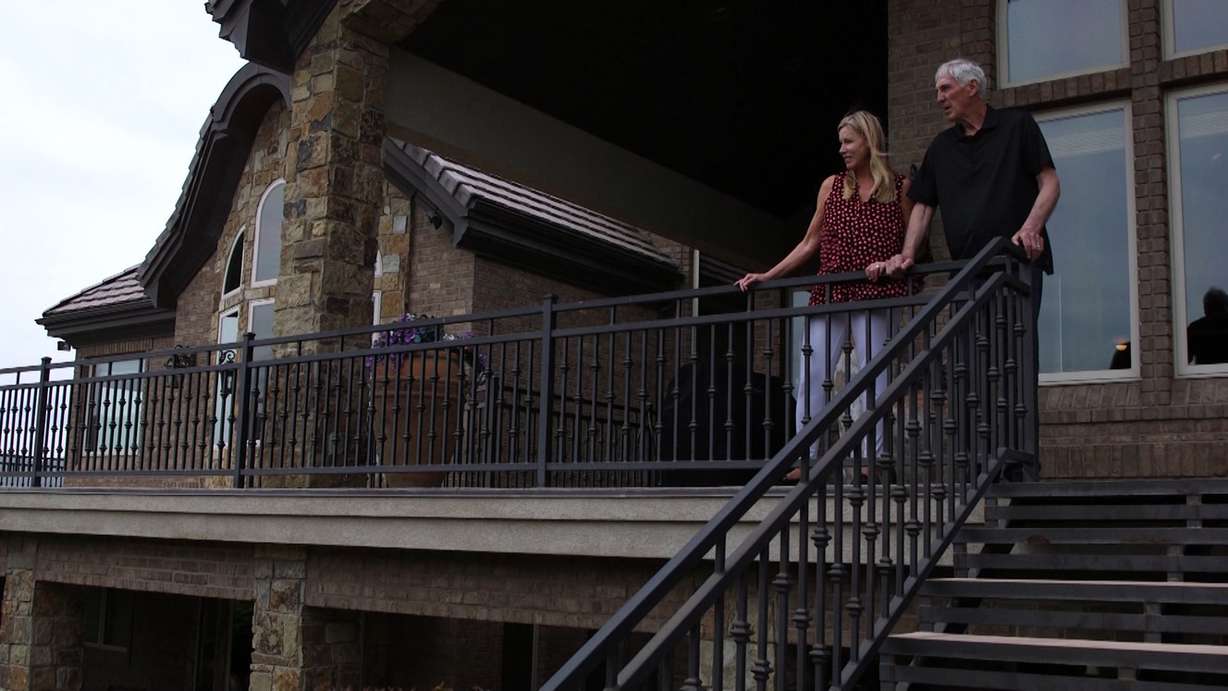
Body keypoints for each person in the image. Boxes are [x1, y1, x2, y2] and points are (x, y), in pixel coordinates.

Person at [869, 58, 1061, 475]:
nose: (938, 98)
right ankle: (982, 464)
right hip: (967, 275)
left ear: (971, 87)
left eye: (944, 89)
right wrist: (905, 253)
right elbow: (922, 207)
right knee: (972, 369)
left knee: (1015, 365)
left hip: (1016, 268)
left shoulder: (1017, 126)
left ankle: (1019, 469)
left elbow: (1049, 182)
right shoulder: (941, 146)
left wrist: (1030, 228)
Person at [737, 110, 917, 473]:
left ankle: (871, 458)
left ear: (869, 141)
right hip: (831, 289)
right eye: (841, 142)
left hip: (877, 290)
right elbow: (809, 243)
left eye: (849, 141)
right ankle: (806, 456)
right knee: (813, 373)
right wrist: (768, 275)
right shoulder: (832, 186)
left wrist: (896, 262)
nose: (843, 149)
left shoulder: (900, 188)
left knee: (874, 375)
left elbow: (913, 240)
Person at [1188, 287, 1228, 365]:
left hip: (1203, 374)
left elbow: (1183, 359)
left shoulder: (1195, 329)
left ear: (1206, 308)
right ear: (1225, 306)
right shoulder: (1194, 329)